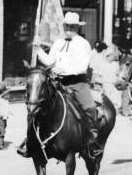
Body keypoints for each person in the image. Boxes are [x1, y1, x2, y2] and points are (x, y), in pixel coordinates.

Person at [18, 12, 101, 158]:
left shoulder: (83, 44)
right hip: (57, 83)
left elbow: (82, 67)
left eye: (72, 26)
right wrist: (38, 50)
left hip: (77, 83)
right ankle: (30, 141)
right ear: (64, 26)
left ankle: (91, 142)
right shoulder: (58, 42)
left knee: (90, 108)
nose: (69, 28)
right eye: (67, 25)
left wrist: (63, 70)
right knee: (35, 106)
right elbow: (50, 61)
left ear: (77, 27)